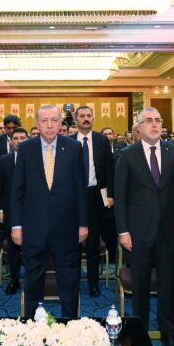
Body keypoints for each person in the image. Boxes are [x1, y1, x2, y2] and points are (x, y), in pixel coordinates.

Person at [113, 107, 174, 346]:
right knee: (140, 286)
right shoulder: (127, 155)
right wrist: (123, 231)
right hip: (138, 232)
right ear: (139, 127)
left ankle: (168, 333)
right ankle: (139, 333)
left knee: (167, 284)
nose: (155, 125)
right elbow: (121, 197)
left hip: (169, 230)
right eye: (149, 121)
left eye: (158, 120)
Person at [11, 104, 88, 319]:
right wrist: (16, 225)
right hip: (33, 228)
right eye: (44, 121)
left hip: (67, 228)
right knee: (33, 281)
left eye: (54, 120)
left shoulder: (73, 147)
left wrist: (83, 223)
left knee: (69, 281)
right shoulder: (26, 149)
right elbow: (17, 190)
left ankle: (70, 324)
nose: (50, 125)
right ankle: (30, 325)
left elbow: (80, 189)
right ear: (37, 124)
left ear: (60, 123)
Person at [71, 106, 115, 298]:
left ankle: (93, 284)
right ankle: (72, 283)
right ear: (76, 119)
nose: (86, 119)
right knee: (72, 243)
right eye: (82, 116)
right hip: (72, 198)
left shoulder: (102, 140)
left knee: (93, 244)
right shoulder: (68, 141)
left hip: (95, 197)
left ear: (93, 118)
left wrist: (110, 194)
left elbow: (109, 168)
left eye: (89, 116)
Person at [0, 128, 28, 294]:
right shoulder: (4, 160)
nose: (19, 141)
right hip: (9, 212)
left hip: (32, 213)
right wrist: (0, 209)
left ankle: (33, 280)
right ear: (11, 141)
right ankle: (14, 280)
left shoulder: (36, 159)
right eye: (16, 138)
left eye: (22, 138)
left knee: (32, 248)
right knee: (13, 249)